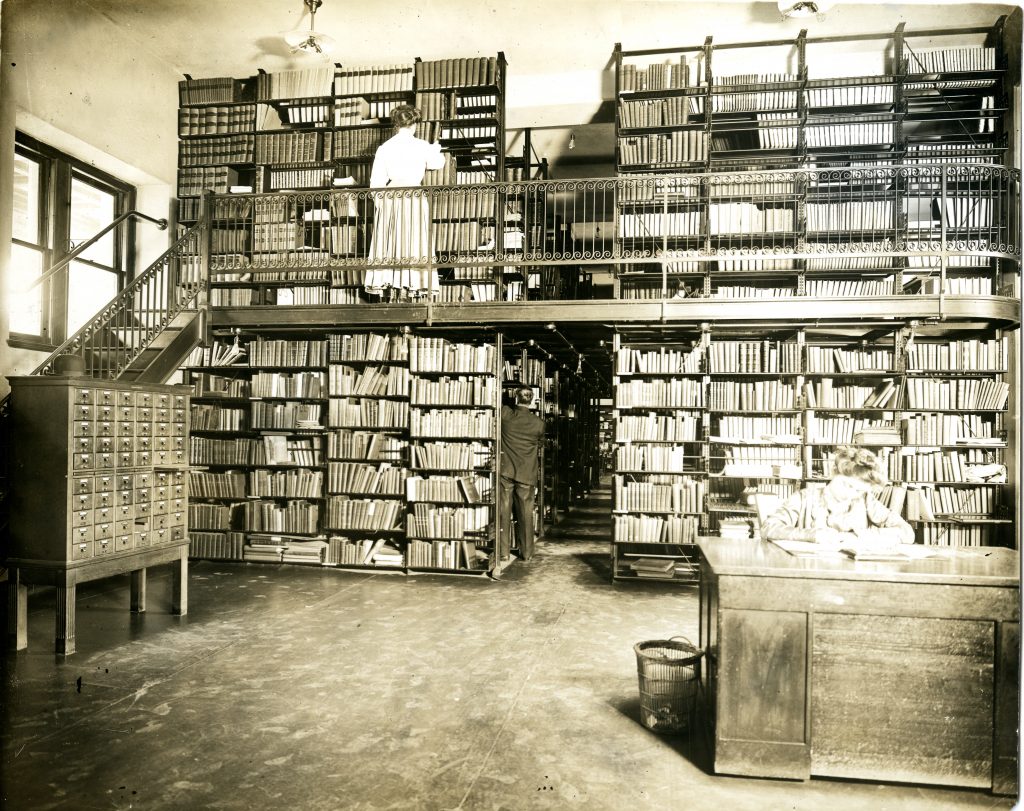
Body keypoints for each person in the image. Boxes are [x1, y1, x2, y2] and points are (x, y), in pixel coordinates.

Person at [365, 104, 446, 300]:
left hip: (391, 197)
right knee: (414, 240)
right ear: (414, 125)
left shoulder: (385, 148)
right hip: (414, 197)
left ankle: (392, 286)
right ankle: (411, 286)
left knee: (392, 242)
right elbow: (437, 163)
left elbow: (375, 182)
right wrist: (436, 149)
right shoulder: (421, 145)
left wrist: (383, 208)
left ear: (395, 125)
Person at [762, 445, 914, 545]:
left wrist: (860, 537)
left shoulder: (866, 501)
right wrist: (811, 535)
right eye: (846, 485)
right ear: (833, 473)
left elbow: (907, 532)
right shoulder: (804, 498)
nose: (850, 494)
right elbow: (768, 528)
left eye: (859, 490)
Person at [499, 385, 546, 562]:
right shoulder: (539, 423)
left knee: (503, 511)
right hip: (527, 472)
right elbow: (540, 443)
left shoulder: (505, 415)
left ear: (516, 399)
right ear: (532, 401)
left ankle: (502, 552)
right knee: (526, 513)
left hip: (506, 471)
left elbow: (501, 404)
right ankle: (526, 553)